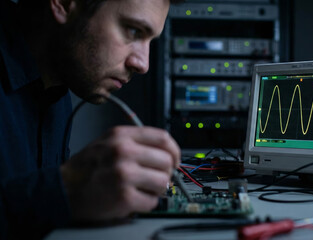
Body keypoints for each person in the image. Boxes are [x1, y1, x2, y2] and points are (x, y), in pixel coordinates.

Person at [0, 0, 182, 238]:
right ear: (64, 4)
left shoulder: (57, 85)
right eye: (134, 30)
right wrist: (66, 189)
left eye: (150, 41)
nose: (143, 64)